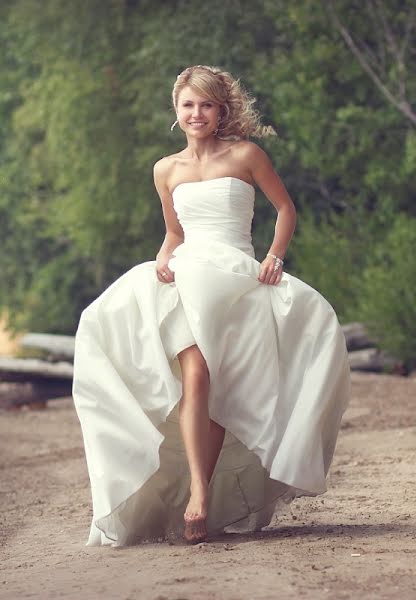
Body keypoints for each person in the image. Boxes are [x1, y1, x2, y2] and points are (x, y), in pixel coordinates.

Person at [72, 65, 351, 546]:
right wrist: (163, 260)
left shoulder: (246, 154)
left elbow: (285, 208)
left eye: (205, 104)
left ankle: (204, 492)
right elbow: (174, 234)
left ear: (221, 110)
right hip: (185, 278)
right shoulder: (166, 169)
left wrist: (275, 256)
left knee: (226, 384)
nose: (196, 113)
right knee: (196, 375)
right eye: (187, 105)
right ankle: (198, 493)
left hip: (236, 280)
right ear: (176, 112)